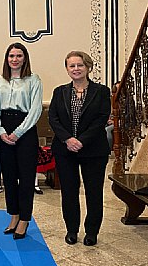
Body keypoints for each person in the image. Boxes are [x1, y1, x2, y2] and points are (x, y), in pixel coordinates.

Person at [48, 51, 111, 246]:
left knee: (93, 192)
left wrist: (81, 140)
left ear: (88, 67)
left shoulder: (101, 91)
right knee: (69, 191)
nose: (76, 69)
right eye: (72, 66)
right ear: (67, 69)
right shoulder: (60, 92)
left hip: (93, 149)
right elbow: (54, 119)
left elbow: (101, 118)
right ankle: (72, 230)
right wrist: (68, 139)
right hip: (65, 149)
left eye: (80, 65)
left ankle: (91, 231)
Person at [0, 42, 43, 240]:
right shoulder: (0, 80)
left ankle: (24, 219)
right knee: (9, 177)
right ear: (7, 59)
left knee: (26, 177)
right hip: (4, 129)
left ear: (25, 58)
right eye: (11, 56)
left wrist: (18, 132)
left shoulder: (33, 79)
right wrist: (1, 131)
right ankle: (13, 215)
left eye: (19, 56)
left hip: (26, 130)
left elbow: (35, 110)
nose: (15, 59)